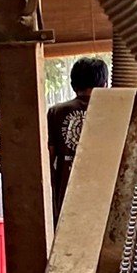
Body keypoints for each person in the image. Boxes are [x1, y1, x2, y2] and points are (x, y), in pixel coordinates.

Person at [47, 56, 109, 215]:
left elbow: (49, 157)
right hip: (104, 196)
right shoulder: (112, 113)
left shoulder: (56, 112)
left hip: (67, 196)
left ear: (73, 85)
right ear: (105, 84)